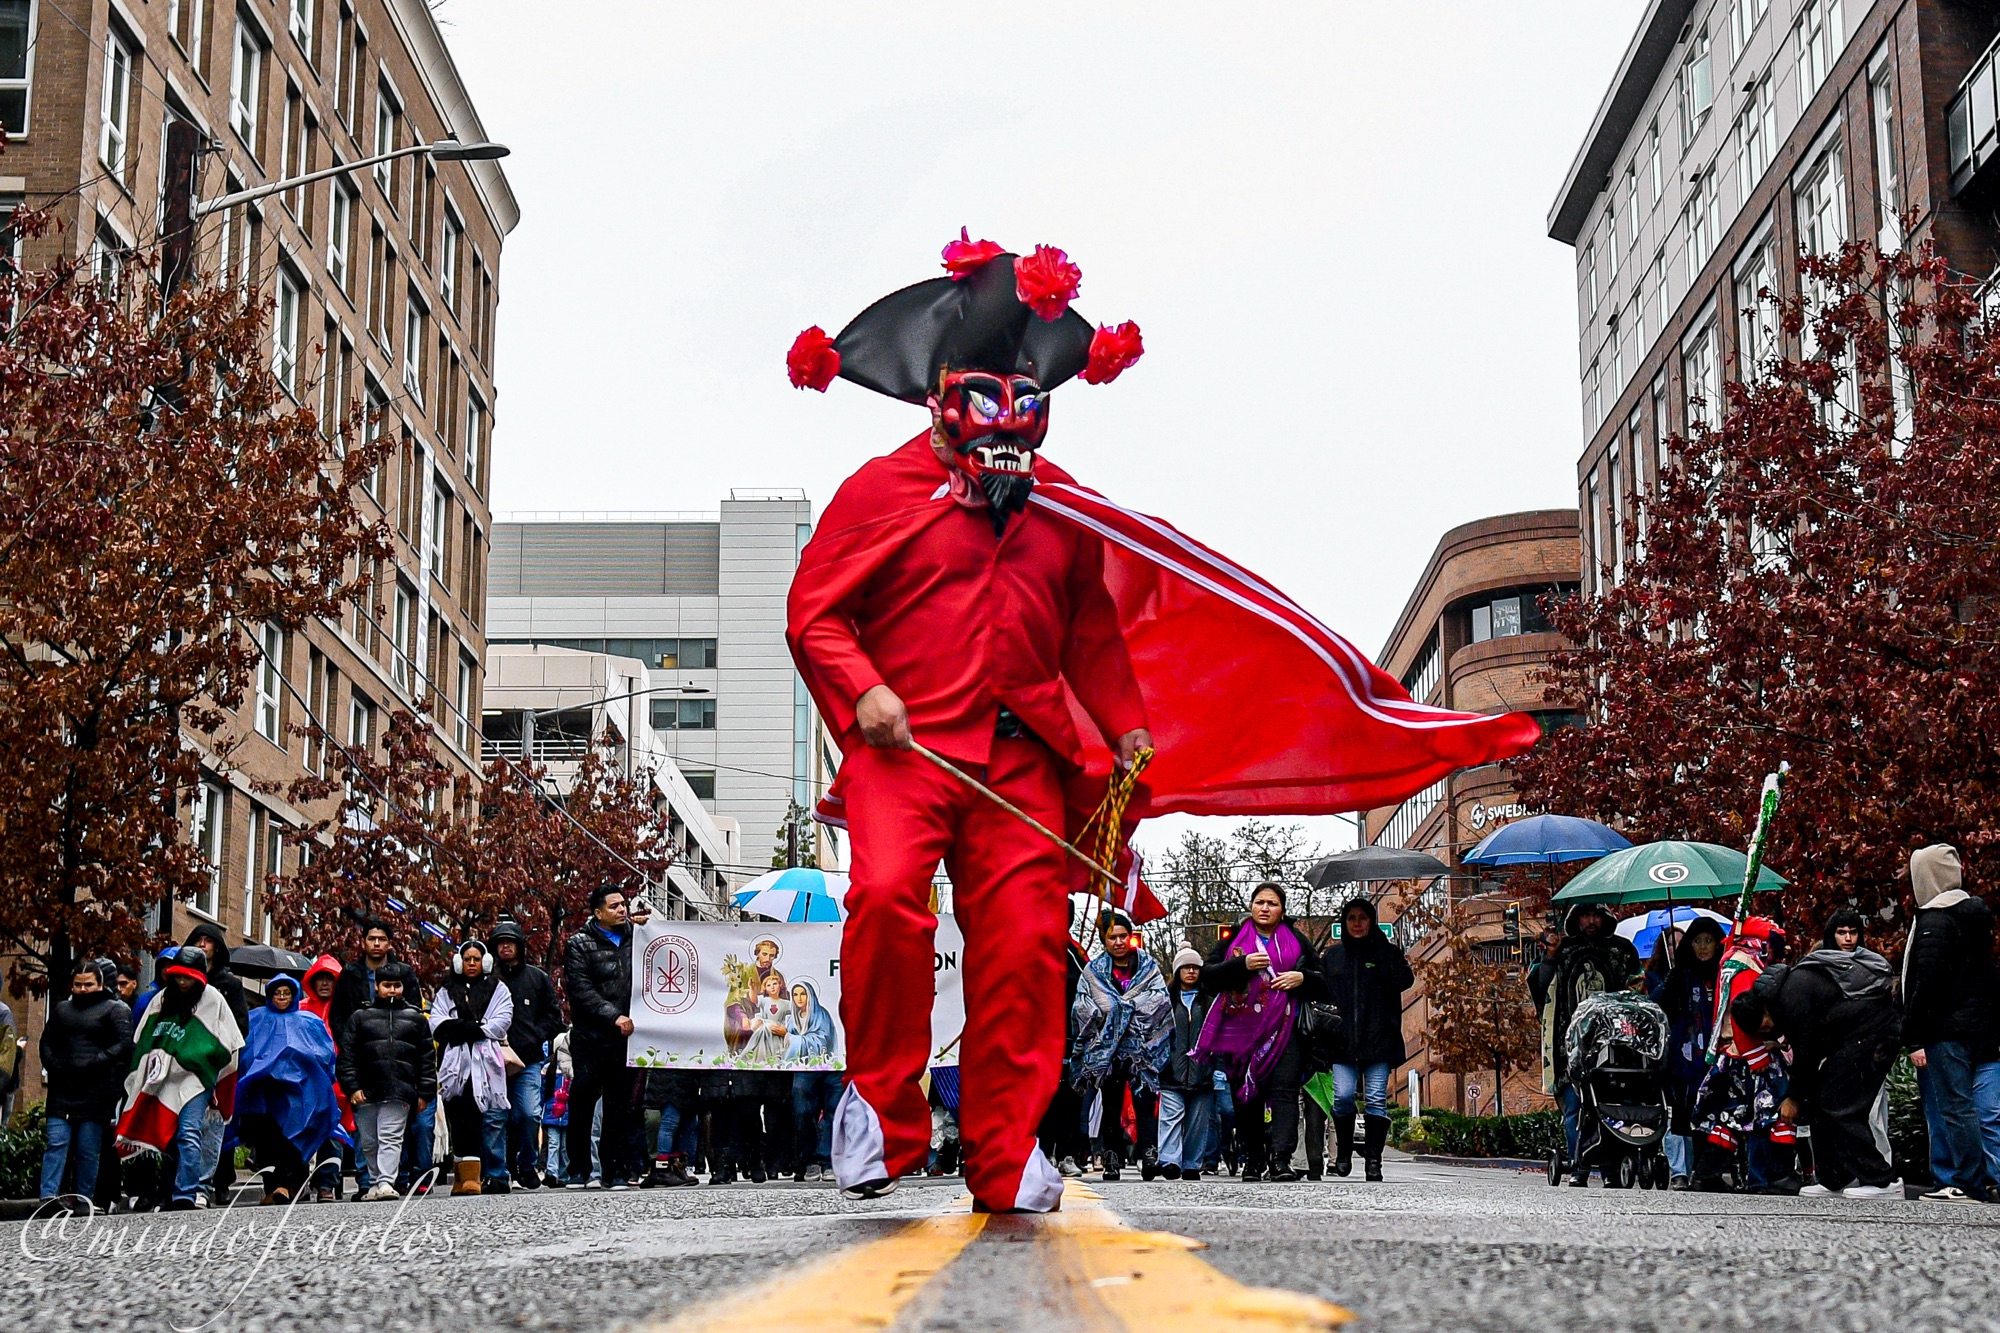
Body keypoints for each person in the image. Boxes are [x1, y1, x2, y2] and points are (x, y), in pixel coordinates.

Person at [1733, 945, 1902, 1198]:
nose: (1770, 1032)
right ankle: (1834, 1178)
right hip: (1858, 1035)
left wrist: (1793, 1098)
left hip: (1873, 1033)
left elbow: (1807, 1056)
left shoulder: (1792, 998)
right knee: (1821, 1101)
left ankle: (1882, 1181)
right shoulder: (1787, 993)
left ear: (1765, 1009)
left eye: (1765, 1027)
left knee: (1840, 1105)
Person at [1195, 883, 1327, 1183]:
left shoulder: (1296, 940)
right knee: (1246, 1095)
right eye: (1259, 902)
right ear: (1251, 907)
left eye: (1272, 903)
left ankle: (1280, 1159)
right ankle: (1253, 1159)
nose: (1265, 908)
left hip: (1286, 1029)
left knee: (1284, 1092)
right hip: (1240, 1032)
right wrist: (1241, 964)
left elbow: (1324, 982)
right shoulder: (1233, 938)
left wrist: (1301, 978)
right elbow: (1208, 977)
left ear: (1282, 910)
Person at [115, 946, 245, 1210]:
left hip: (197, 1078)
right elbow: (145, 1037)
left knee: (189, 1131)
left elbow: (229, 1042)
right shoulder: (162, 999)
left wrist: (200, 1060)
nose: (183, 982)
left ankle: (186, 1192)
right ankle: (173, 1188)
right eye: (179, 977)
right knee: (170, 1134)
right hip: (165, 1077)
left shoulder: (213, 1000)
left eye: (188, 977)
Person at [1903, 843, 1993, 1202]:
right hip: (1978, 1027)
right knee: (1977, 1109)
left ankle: (1967, 1182)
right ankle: (1979, 1179)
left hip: (1945, 1029)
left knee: (1955, 1108)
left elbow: (1926, 982)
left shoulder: (1934, 921)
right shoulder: (1975, 918)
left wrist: (1912, 1033)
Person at [1691, 917, 1797, 1193]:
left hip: (1733, 1055)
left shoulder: (1731, 963)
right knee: (1769, 1113)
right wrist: (1756, 1055)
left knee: (1732, 1116)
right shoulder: (1746, 968)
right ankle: (1774, 1176)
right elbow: (1743, 1015)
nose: (1774, 952)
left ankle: (1707, 1174)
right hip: (1750, 1056)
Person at [1070, 908, 1172, 1182]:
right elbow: (1082, 1005)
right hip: (1108, 1050)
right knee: (1111, 1103)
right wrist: (1108, 1012)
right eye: (1112, 937)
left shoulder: (1148, 967)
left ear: (1131, 936)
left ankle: (1148, 1154)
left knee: (1145, 1099)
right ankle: (1112, 1158)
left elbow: (1160, 1000)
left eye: (1123, 936)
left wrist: (1122, 1009)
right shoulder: (1093, 972)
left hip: (1142, 1047)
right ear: (1104, 940)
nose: (1118, 942)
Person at [1319, 896, 1414, 1183]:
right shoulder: (1333, 957)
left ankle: (1374, 1160)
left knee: (1375, 1099)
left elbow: (1405, 980)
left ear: (1372, 921)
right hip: (1342, 1041)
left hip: (1379, 1040)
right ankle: (1344, 1151)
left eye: (1363, 918)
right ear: (1344, 922)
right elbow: (1320, 991)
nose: (1357, 923)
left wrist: (1381, 950)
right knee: (1343, 1096)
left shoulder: (1387, 953)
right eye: (1352, 918)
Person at [1544, 903, 1641, 1179]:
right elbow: (1542, 987)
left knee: (1612, 1106)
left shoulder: (1622, 950)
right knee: (1575, 1107)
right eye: (1585, 915)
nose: (1591, 921)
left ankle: (1612, 1168)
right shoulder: (1563, 949)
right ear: (1576, 919)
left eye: (1596, 915)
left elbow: (1637, 989)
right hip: (1569, 1045)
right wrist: (1550, 956)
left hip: (1614, 1046)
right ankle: (1579, 1165)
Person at [235, 973, 339, 1206]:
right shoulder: (257, 1019)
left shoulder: (308, 1021)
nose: (282, 997)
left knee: (293, 1137)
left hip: (299, 1093)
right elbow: (245, 1052)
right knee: (266, 1140)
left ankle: (287, 1185)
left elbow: (324, 1054)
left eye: (287, 993)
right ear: (270, 995)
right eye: (277, 993)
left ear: (294, 995)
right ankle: (272, 1186)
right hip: (264, 1093)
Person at [564, 886, 642, 1190]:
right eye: (614, 906)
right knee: (582, 1101)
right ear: (598, 913)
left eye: (623, 904)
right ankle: (579, 1169)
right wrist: (613, 1016)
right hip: (590, 1037)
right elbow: (581, 990)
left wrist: (650, 928)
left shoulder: (637, 937)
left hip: (626, 1038)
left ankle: (615, 1170)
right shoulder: (578, 944)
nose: (622, 910)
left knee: (618, 1105)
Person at [337, 962, 435, 1202]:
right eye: (387, 985)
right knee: (369, 1141)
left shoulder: (416, 1019)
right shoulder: (360, 1018)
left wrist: (424, 1092)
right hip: (366, 1090)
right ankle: (374, 1181)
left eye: (397, 985)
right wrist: (352, 1087)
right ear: (377, 987)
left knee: (390, 1136)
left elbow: (426, 1059)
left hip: (399, 1089)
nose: (392, 990)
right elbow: (347, 1056)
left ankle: (386, 1182)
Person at [39, 959, 134, 1204]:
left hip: (96, 1090)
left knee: (87, 1150)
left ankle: (84, 1198)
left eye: (88, 985)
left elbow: (125, 1044)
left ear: (100, 984)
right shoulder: (62, 1009)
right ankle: (48, 1196)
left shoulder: (115, 1009)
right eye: (78, 985)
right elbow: (47, 1042)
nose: (82, 989)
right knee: (56, 1143)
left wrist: (97, 1061)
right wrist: (54, 1065)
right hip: (62, 1088)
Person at [430, 939, 514, 1195]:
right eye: (467, 959)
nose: (472, 964)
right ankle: (461, 1176)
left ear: (485, 962)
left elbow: (502, 1021)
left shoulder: (498, 989)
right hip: (454, 1065)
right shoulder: (446, 990)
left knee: (482, 1118)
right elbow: (437, 1023)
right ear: (459, 962)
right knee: (457, 1116)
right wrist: (471, 1027)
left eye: (476, 959)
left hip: (485, 1065)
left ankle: (477, 1176)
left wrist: (468, 1029)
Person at [1651, 918, 1725, 1189]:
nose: (1703, 947)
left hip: (1720, 1057)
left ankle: (1710, 1171)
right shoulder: (1680, 975)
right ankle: (1683, 1172)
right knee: (1684, 1113)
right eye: (1697, 941)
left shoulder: (1724, 974)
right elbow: (1658, 1006)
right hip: (1686, 1060)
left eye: (1708, 941)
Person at [487, 920, 560, 1189]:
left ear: (520, 945)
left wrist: (535, 1036)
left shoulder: (536, 978)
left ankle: (527, 1164)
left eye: (510, 942)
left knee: (529, 1114)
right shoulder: (487, 980)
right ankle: (499, 1170)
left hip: (528, 1060)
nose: (505, 947)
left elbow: (554, 1017)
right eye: (500, 943)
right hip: (491, 1061)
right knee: (496, 1118)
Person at [1157, 946, 1216, 1180]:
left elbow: (1219, 1036)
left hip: (1203, 1072)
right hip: (1171, 1071)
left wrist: (1217, 1068)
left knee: (1197, 1122)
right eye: (1185, 967)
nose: (1191, 971)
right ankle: (1170, 1161)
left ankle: (1192, 1163)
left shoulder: (1209, 1002)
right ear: (1177, 971)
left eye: (1195, 967)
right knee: (1171, 1117)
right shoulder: (1166, 1002)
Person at [789, 980, 840, 1182]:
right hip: (804, 1068)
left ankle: (828, 1160)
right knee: (802, 1110)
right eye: (796, 995)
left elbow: (824, 1039)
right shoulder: (793, 1019)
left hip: (833, 1066)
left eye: (803, 994)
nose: (799, 999)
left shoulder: (822, 1015)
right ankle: (809, 1159)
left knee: (833, 1111)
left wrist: (794, 1039)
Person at [330, 919, 400, 1039]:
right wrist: (347, 1042)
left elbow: (414, 1014)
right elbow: (337, 1015)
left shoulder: (403, 973)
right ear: (363, 943)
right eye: (372, 939)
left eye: (382, 939)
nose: (376, 944)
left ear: (389, 944)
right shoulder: (349, 974)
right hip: (357, 1044)